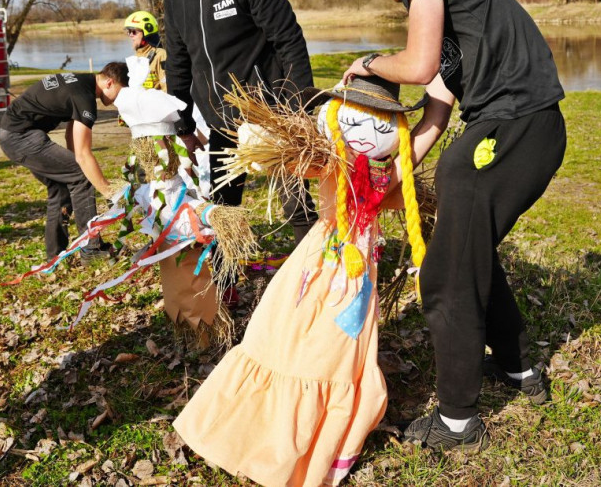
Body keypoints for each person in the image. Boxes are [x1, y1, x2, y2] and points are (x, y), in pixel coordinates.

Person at [343, 0, 567, 451]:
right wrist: (384, 188)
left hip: (512, 125)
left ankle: (459, 422)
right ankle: (517, 371)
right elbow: (434, 118)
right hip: (524, 129)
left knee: (446, 270)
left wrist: (369, 64)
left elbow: (416, 67)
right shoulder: (456, 5)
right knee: (471, 252)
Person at [173, 76, 430, 485]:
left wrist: (440, 103)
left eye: (383, 129)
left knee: (335, 352)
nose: (368, 136)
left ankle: (317, 440)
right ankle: (259, 436)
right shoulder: (331, 162)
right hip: (316, 266)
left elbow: (413, 153)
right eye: (358, 123)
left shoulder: (383, 178)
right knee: (289, 338)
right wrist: (260, 143)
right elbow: (282, 158)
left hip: (357, 276)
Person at [159, 0, 318, 252]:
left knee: (295, 201)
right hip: (221, 122)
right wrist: (183, 124)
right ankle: (225, 287)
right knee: (223, 209)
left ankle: (314, 269)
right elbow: (178, 64)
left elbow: (288, 41)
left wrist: (299, 108)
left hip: (272, 116)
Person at [0, 63, 128, 261]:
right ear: (109, 83)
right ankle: (91, 249)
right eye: (120, 92)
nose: (119, 99)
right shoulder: (84, 98)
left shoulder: (80, 82)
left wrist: (70, 168)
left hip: (14, 134)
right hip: (20, 137)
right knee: (81, 176)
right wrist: (109, 191)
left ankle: (55, 256)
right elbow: (83, 156)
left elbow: (72, 140)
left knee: (62, 188)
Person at [124, 10, 168, 91]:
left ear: (147, 31)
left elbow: (167, 88)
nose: (130, 35)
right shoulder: (137, 56)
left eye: (133, 31)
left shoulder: (160, 55)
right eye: (129, 32)